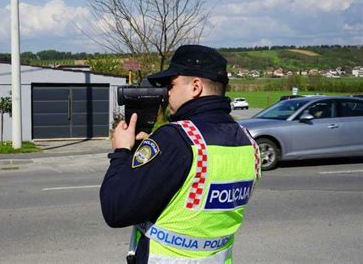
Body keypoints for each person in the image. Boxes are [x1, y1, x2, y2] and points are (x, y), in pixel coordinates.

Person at [100, 45, 261, 263]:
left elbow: (116, 210)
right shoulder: (247, 142)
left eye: (171, 85)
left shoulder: (175, 139)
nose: (166, 93)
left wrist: (120, 151)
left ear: (195, 87)